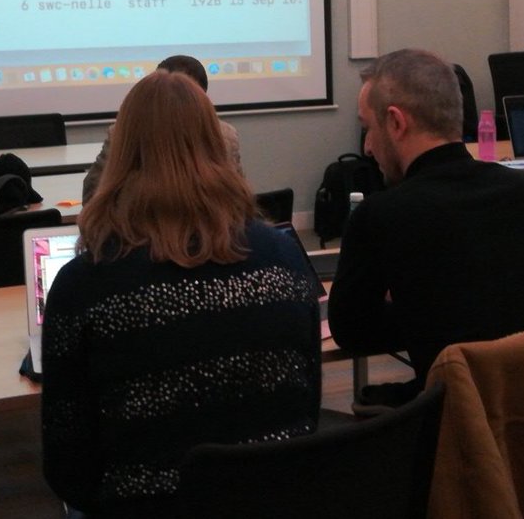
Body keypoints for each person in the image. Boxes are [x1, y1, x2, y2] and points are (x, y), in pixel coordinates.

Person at [42, 70, 321, 518]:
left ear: (119, 156)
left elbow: (67, 469)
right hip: (275, 499)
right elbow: (306, 409)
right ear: (217, 145)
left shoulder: (83, 286)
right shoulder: (285, 257)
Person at [328, 48, 524, 403]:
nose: (368, 146)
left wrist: (425, 308)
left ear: (397, 122)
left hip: (458, 421)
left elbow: (352, 332)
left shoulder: (381, 216)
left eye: (368, 128)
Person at [80, 54, 242, 203]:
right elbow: (238, 198)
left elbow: (93, 194)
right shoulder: (224, 135)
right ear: (202, 98)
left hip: (136, 227)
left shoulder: (123, 131)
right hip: (212, 229)